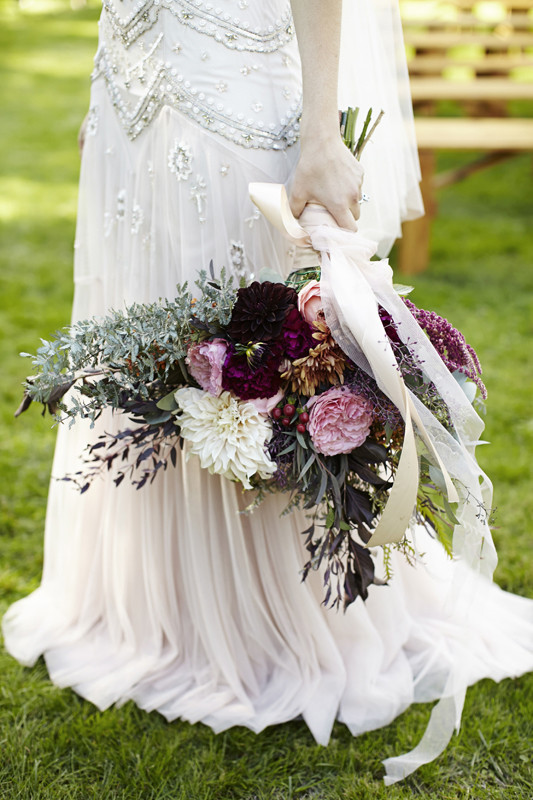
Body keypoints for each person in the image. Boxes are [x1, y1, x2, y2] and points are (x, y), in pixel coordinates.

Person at [4, 0, 533, 785]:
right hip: (131, 96)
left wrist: (321, 133)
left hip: (234, 90)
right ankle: (162, 608)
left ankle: (277, 619)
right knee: (158, 338)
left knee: (243, 348)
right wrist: (117, 76)